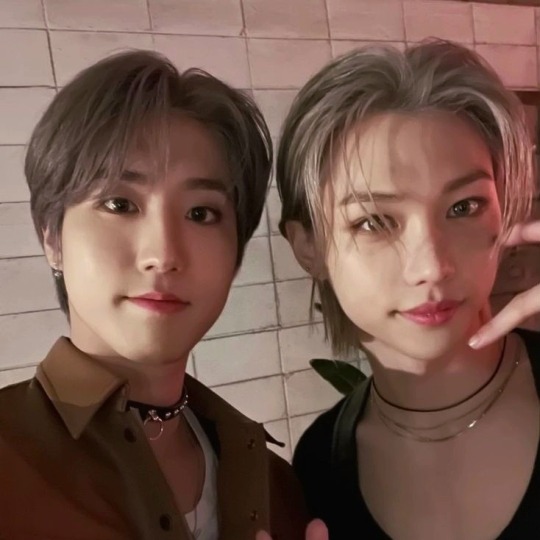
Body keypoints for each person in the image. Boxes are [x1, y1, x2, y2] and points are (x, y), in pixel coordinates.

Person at [0, 50, 308, 540]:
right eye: (119, 204)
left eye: (201, 214)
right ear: (52, 237)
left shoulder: (279, 488)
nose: (163, 255)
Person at [258, 40, 540, 539]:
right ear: (309, 247)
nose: (431, 266)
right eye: (373, 221)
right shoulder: (319, 466)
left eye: (464, 207)